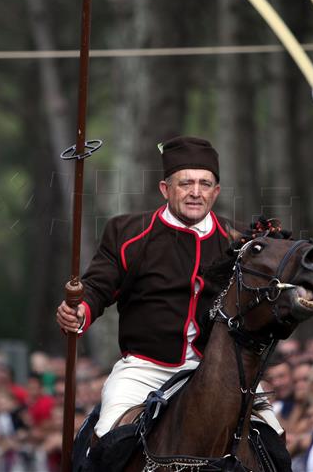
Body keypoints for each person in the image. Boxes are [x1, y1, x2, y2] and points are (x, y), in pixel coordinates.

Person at [56, 136, 281, 439]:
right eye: (185, 183)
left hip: (219, 371)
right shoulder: (127, 232)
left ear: (216, 192)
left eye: (204, 184)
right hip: (144, 369)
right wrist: (79, 311)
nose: (195, 193)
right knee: (108, 437)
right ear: (165, 189)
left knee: (273, 437)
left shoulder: (240, 241)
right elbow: (97, 287)